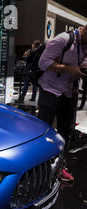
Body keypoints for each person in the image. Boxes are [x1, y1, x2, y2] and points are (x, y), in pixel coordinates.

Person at [37, 24, 87, 182]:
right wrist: (70, 70)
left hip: (68, 92)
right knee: (43, 131)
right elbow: (43, 63)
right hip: (50, 90)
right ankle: (38, 167)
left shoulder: (84, 46)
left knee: (65, 132)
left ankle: (60, 167)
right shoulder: (63, 39)